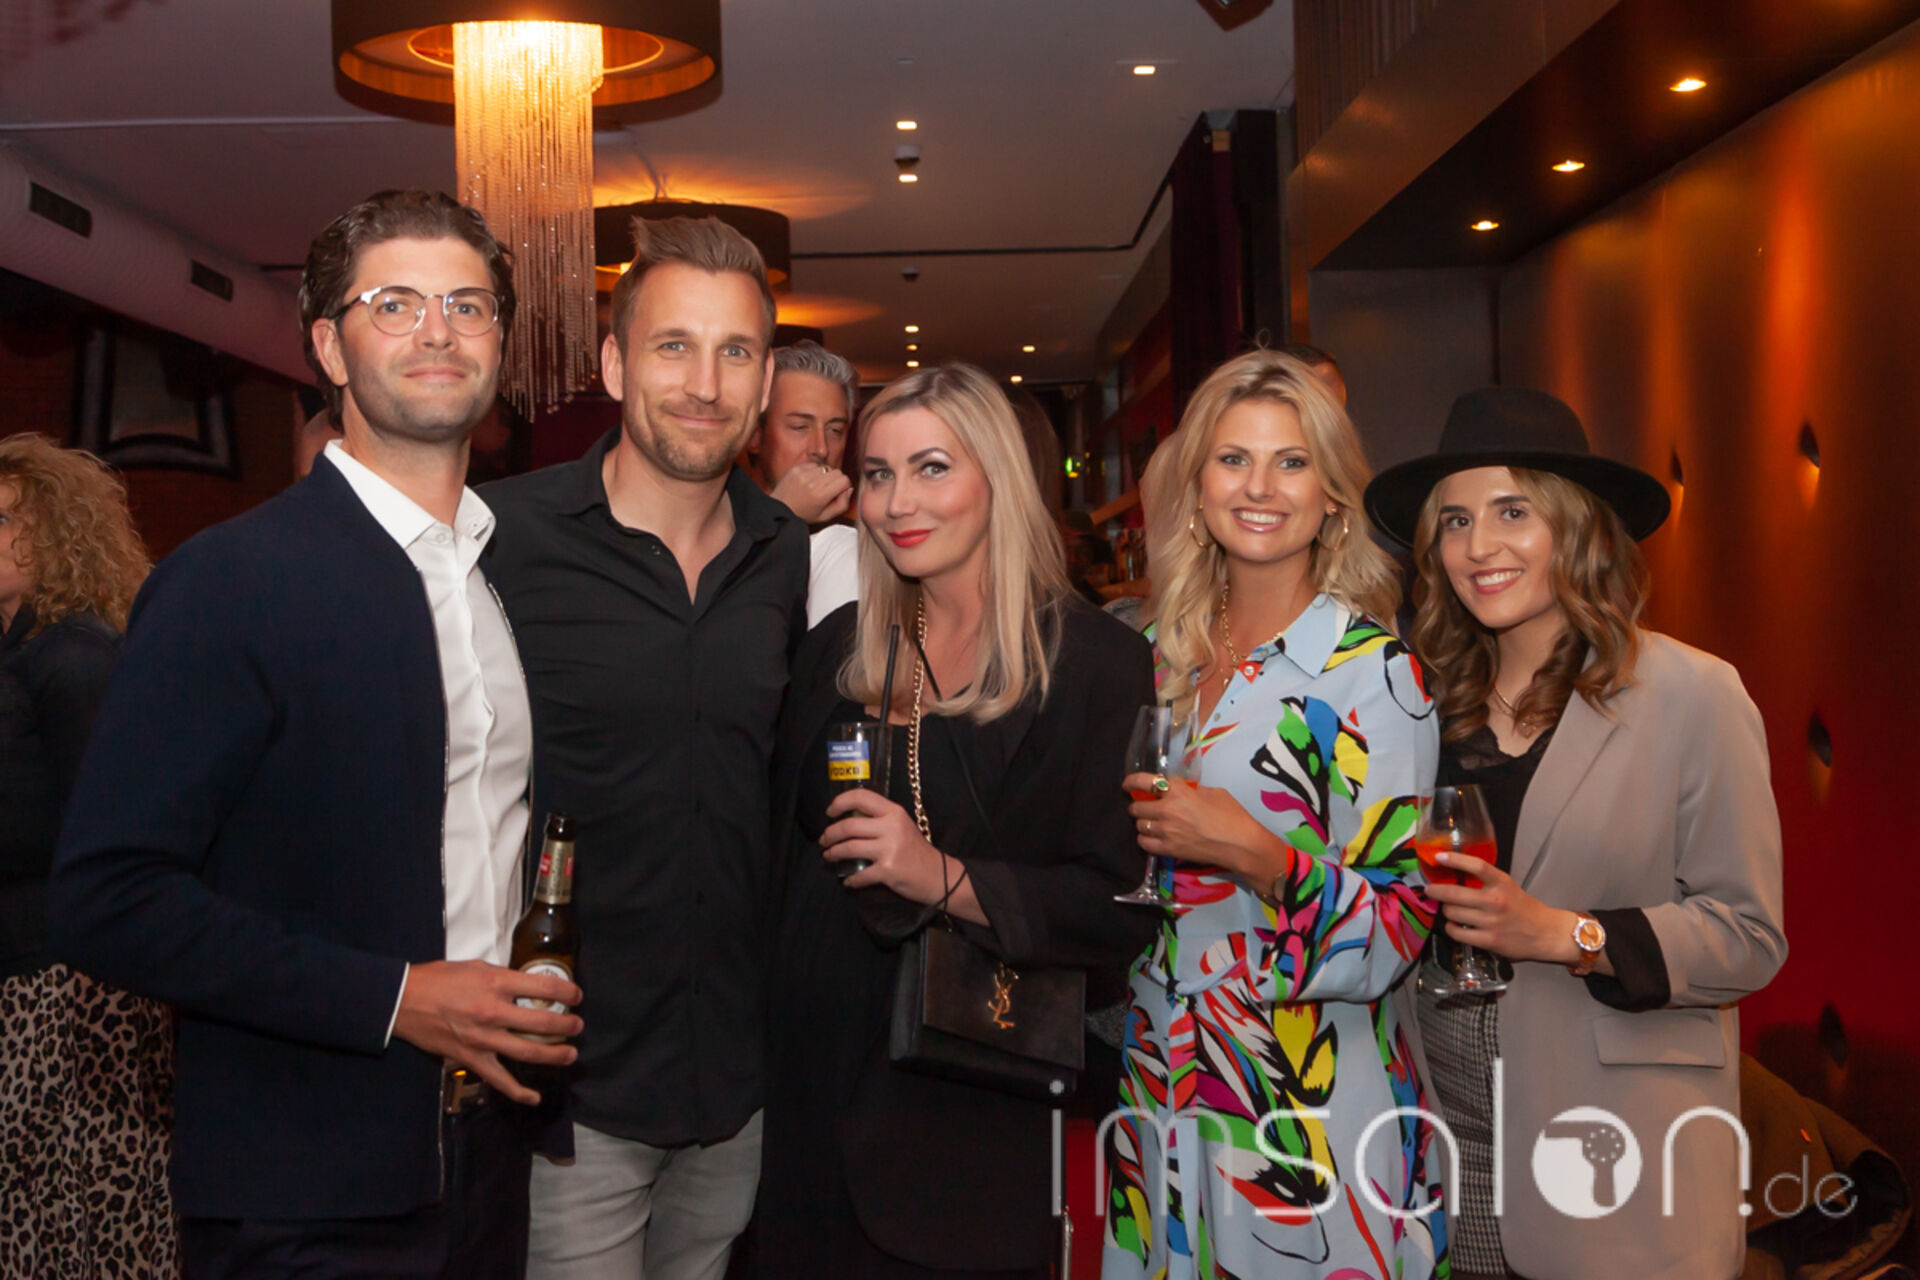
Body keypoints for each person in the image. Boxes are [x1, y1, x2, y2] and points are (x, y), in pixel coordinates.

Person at [49, 189, 581, 1279]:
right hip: (305, 1185)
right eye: (395, 304)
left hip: (488, 1150)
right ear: (330, 348)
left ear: (498, 344)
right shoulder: (228, 580)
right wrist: (396, 997)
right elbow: (108, 898)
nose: (438, 330)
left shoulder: (502, 581)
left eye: (467, 305)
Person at [1363, 387, 1787, 1280]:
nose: (1480, 545)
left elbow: (1749, 938)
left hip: (1617, 1163)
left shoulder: (1691, 694)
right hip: (1449, 1152)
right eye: (1455, 521)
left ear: (1578, 526)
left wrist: (1565, 934)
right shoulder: (1420, 706)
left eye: (1513, 512)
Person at [755, 362, 1156, 1277]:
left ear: (997, 480)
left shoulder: (1094, 664)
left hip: (963, 1106)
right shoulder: (836, 650)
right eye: (878, 474)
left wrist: (940, 877)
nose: (898, 501)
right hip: (809, 1095)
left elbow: (1118, 906)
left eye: (931, 468)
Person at [482, 215, 809, 1280]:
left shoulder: (786, 555)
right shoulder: (501, 539)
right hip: (573, 1090)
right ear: (617, 365)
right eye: (674, 346)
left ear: (765, 383)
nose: (704, 384)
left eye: (735, 352)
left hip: (736, 1082)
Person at [1103, 349, 1448, 1279]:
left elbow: (1400, 925)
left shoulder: (1375, 676)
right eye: (1233, 459)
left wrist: (1259, 854)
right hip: (1160, 1066)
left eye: (1291, 462)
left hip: (1303, 1097)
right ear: (1198, 485)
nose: (1259, 487)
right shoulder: (1151, 652)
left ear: (1332, 495)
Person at [0, 434, 174, 1279]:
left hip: (68, 989)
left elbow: (109, 839)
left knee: (84, 1213)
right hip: (31, 978)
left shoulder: (73, 658)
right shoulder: (24, 652)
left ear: (49, 532)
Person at [746, 338, 862, 626]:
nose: (821, 448)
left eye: (835, 430)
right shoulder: (706, 530)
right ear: (754, 435)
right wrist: (779, 516)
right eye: (799, 427)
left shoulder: (853, 549)